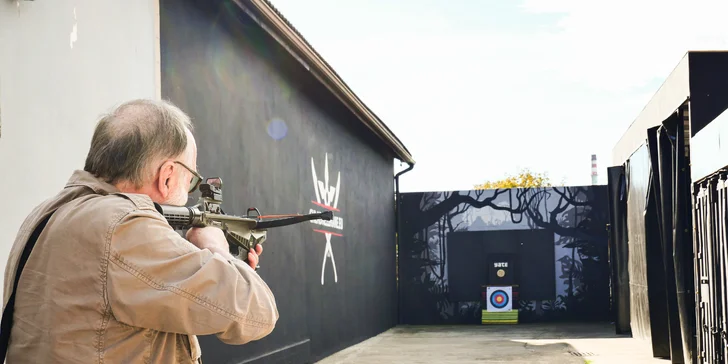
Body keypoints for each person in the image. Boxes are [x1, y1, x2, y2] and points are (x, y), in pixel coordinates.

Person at [2, 99, 279, 363]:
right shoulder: (125, 227)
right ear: (167, 176)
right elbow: (257, 314)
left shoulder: (45, 214)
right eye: (191, 180)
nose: (191, 191)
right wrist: (216, 249)